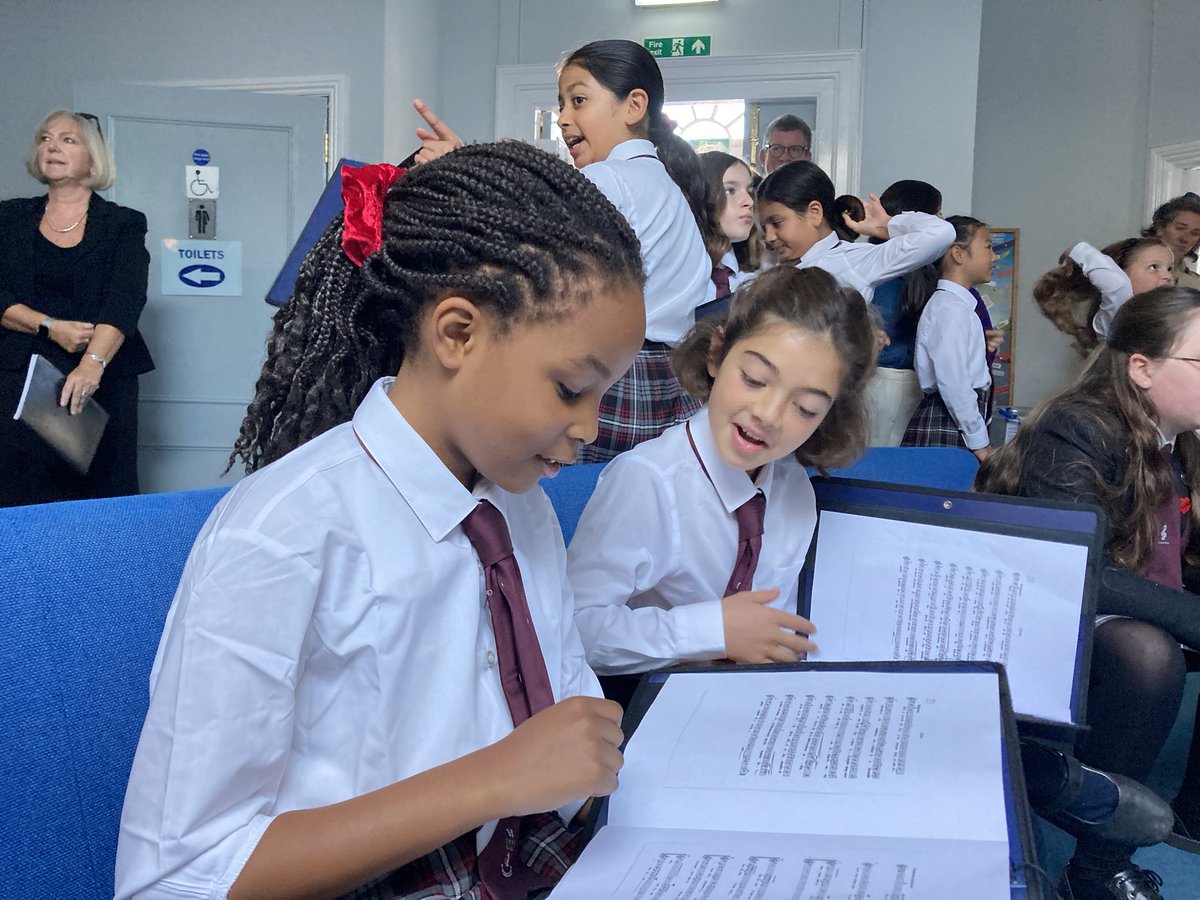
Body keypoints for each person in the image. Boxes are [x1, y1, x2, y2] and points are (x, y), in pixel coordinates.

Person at [115, 142, 645, 899]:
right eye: (569, 389)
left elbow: (563, 724)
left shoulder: (517, 508)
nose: (592, 428)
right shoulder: (284, 535)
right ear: (456, 333)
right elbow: (176, 878)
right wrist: (493, 779)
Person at [976, 287, 1200, 900]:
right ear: (1142, 368)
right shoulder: (1078, 425)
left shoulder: (1181, 441)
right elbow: (1081, 569)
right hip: (1048, 610)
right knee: (1149, 654)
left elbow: (1178, 558)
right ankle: (1096, 868)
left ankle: (1191, 814)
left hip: (1123, 600)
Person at [568, 266, 877, 681]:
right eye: (754, 379)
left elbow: (774, 619)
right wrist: (714, 631)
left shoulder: (794, 492)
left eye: (805, 408)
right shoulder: (649, 481)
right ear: (716, 355)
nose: (767, 415)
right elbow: (575, 630)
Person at [555, 39, 714, 462]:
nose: (563, 118)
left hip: (617, 374)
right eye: (561, 105)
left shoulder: (608, 178)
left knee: (582, 500)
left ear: (633, 106)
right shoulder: (667, 187)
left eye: (578, 100)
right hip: (674, 378)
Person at [0, 109, 153, 506]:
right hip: (17, 378)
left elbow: (125, 299)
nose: (52, 146)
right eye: (46, 138)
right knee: (20, 499)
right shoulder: (9, 217)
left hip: (101, 379)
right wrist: (50, 326)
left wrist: (92, 364)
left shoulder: (123, 223)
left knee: (100, 499)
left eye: (68, 140)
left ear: (93, 157)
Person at [755, 160, 955, 304]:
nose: (770, 237)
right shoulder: (770, 265)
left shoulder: (854, 260)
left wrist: (887, 225)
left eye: (777, 223)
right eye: (765, 228)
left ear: (814, 213)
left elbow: (941, 233)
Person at [901, 216, 997, 461]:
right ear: (958, 254)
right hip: (949, 422)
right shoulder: (949, 308)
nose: (994, 256)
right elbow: (953, 382)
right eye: (987, 246)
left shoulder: (958, 305)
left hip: (956, 421)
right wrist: (980, 444)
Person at [864, 179, 944, 446]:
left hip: (905, 382)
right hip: (884, 380)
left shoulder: (924, 269)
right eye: (936, 214)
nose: (941, 220)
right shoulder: (879, 264)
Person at [1034, 237, 1175, 352]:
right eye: (1154, 267)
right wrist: (1079, 252)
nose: (1167, 275)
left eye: (1169, 268)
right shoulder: (1119, 314)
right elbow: (1117, 285)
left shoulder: (1173, 316)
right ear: (1121, 272)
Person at [694, 150, 765, 321]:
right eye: (729, 191)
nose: (748, 201)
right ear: (701, 196)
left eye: (749, 191)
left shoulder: (753, 283)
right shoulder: (678, 279)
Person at [1144, 194, 1200, 291]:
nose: (1185, 239)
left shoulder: (1195, 280)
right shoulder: (1133, 265)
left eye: (1195, 233)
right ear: (1160, 228)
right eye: (1180, 228)